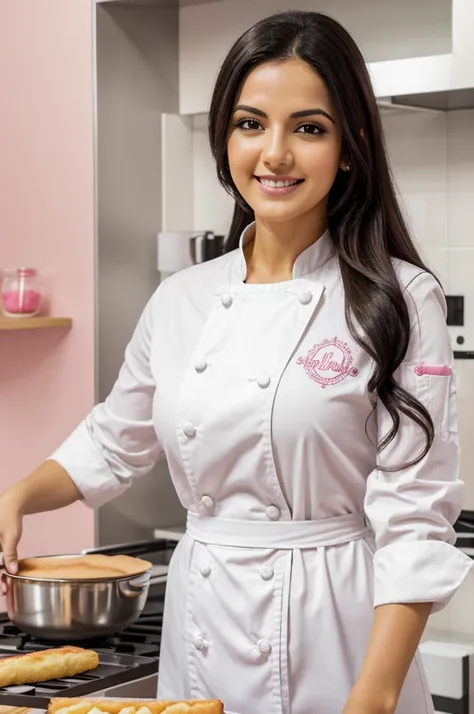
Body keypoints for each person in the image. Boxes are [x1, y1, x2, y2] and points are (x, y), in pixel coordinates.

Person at [0, 9, 472, 714]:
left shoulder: (403, 297)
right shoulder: (182, 297)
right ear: (225, 138)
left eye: (308, 128)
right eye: (251, 124)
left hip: (337, 634)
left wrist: (371, 697)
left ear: (350, 146)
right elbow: (113, 439)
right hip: (204, 624)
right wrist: (15, 500)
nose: (274, 154)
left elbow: (416, 515)